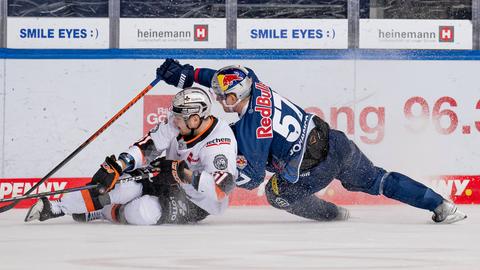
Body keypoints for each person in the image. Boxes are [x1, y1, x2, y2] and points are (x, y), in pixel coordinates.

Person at [155, 58, 467, 224]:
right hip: (336, 142)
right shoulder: (255, 84)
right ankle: (441, 205)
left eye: (223, 97)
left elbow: (250, 180)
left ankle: (334, 215)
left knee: (276, 194)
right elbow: (221, 77)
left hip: (311, 167)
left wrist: (213, 172)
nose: (218, 98)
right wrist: (187, 74)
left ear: (235, 96)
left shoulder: (250, 128)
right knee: (377, 179)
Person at [25, 87, 238, 225]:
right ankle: (55, 207)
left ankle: (105, 212)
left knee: (142, 212)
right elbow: (149, 146)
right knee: (120, 186)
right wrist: (120, 165)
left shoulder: (219, 143)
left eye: (179, 117)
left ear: (194, 120)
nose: (174, 121)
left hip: (197, 202)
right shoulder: (179, 124)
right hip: (167, 177)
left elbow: (222, 188)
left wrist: (182, 173)